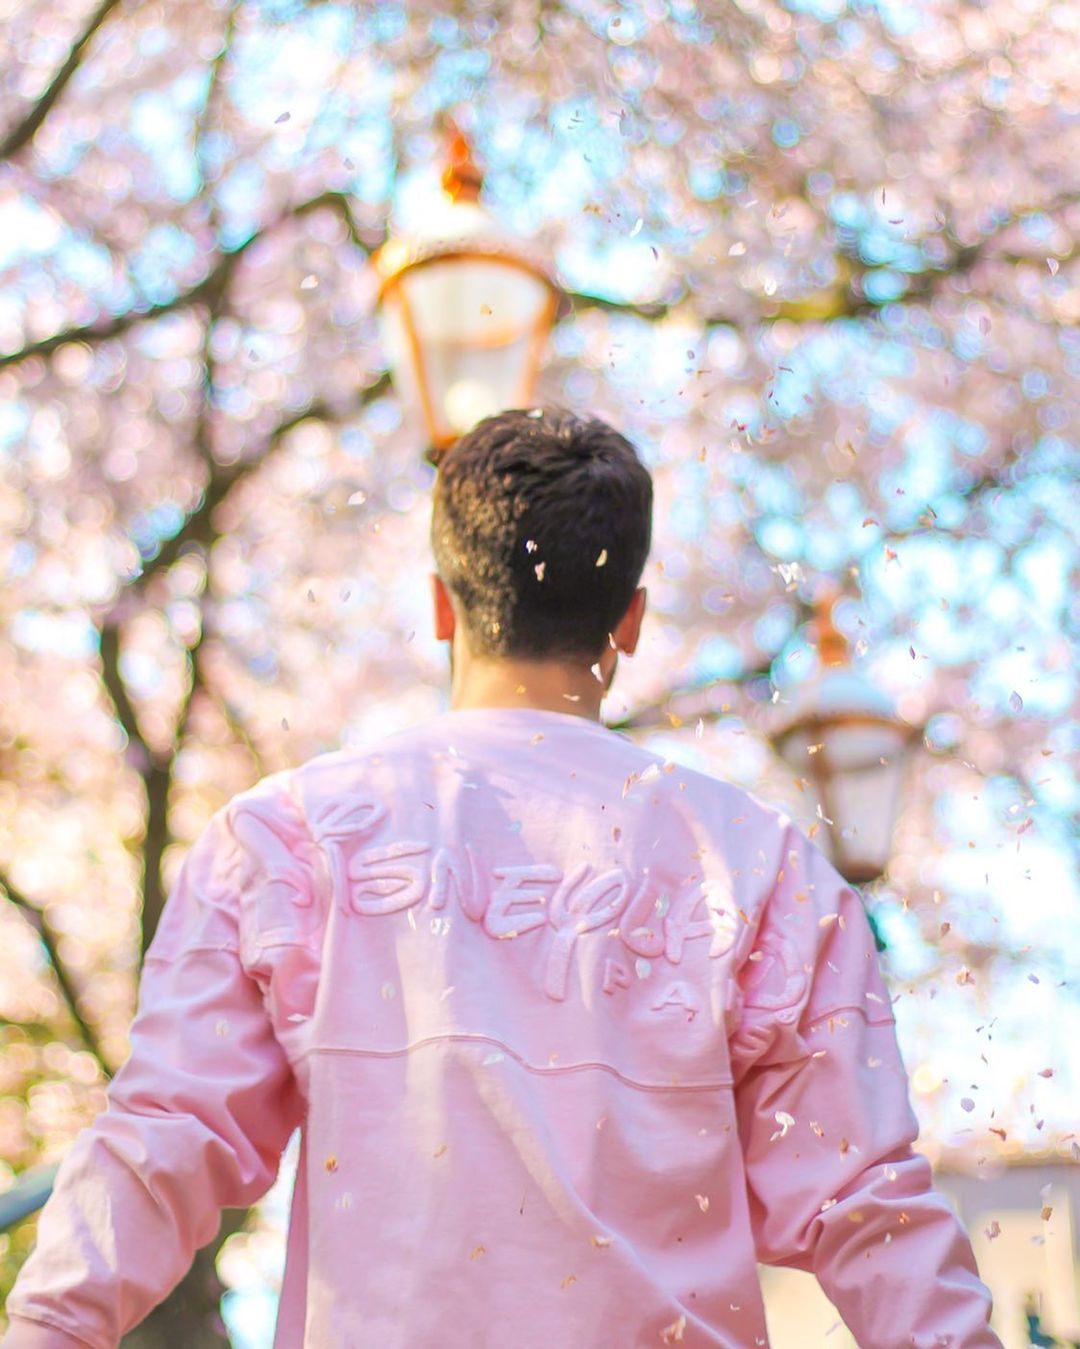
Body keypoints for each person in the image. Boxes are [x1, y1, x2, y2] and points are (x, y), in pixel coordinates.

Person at [2, 408, 1002, 1348]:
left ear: (443, 603)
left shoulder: (284, 838)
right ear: (630, 619)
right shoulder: (758, 862)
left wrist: (46, 1326)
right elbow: (861, 1196)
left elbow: (170, 1132)